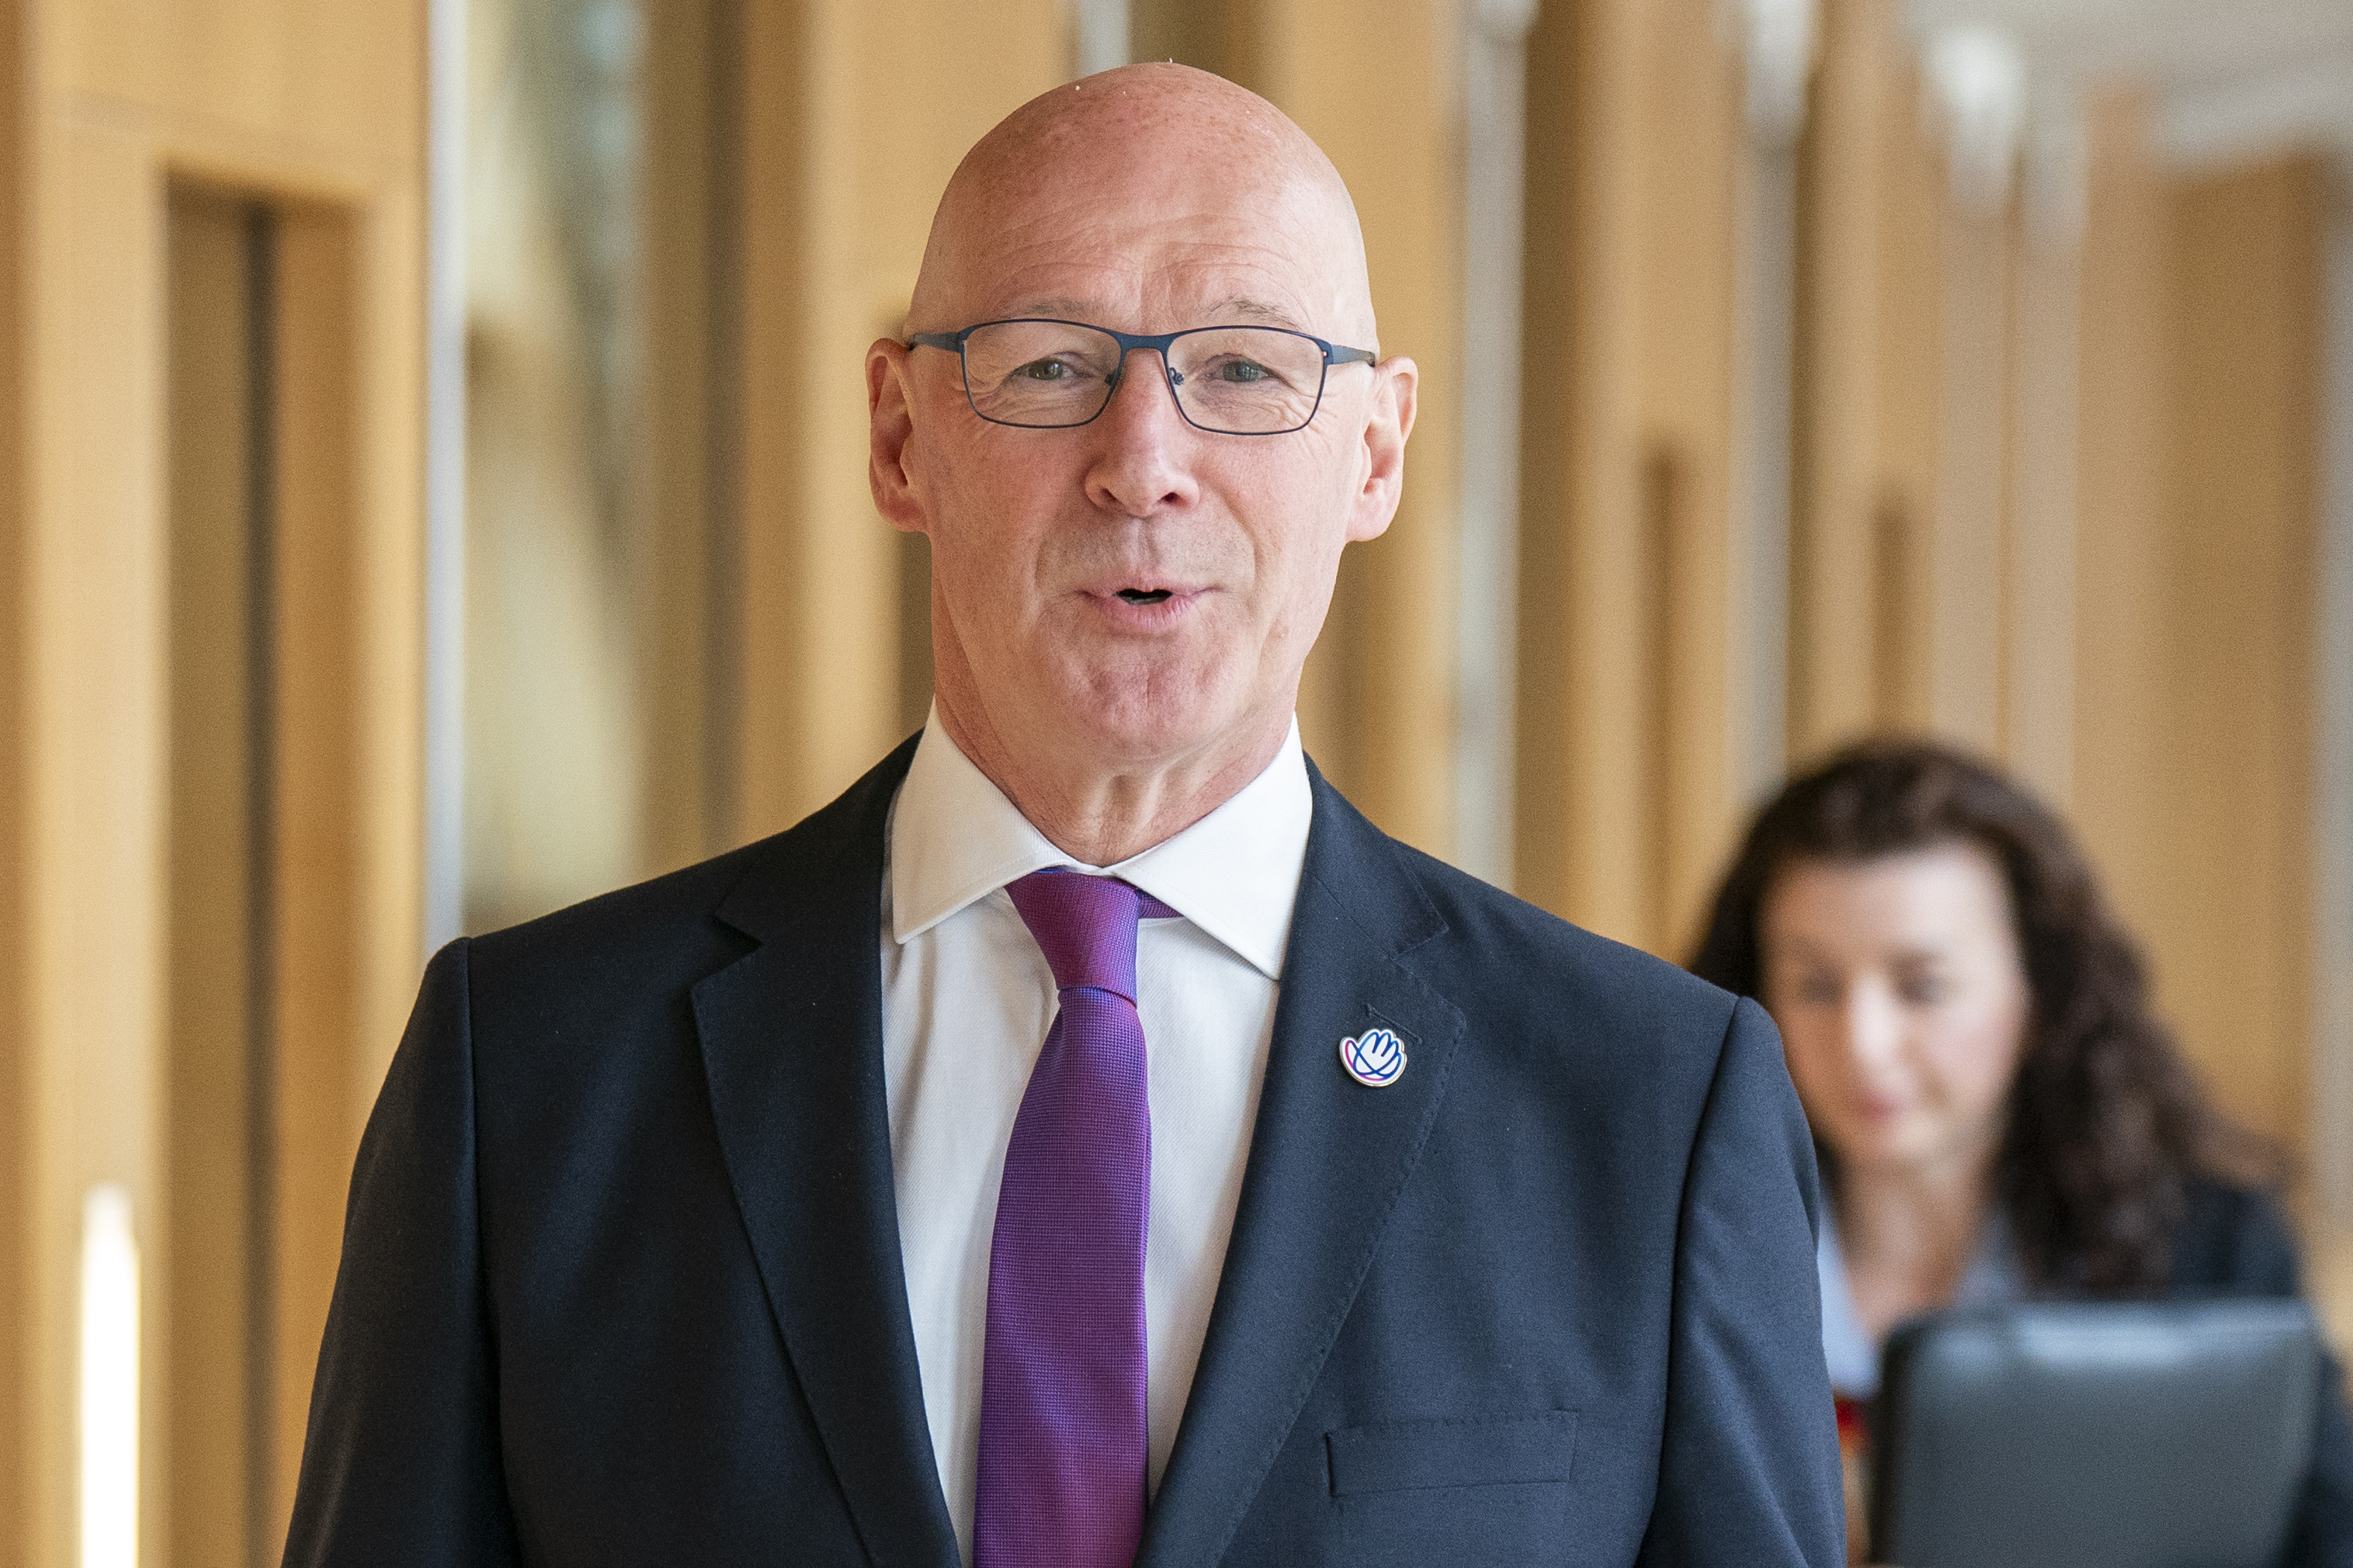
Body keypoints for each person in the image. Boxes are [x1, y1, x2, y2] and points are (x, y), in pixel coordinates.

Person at [285, 64, 1842, 1566]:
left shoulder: (1645, 1109)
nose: (1144, 462)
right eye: (1048, 366)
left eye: (1243, 369)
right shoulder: (535, 1074)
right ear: (899, 435)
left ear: (1373, 451)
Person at [1689, 737, 2353, 1564]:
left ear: (2037, 995)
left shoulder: (2212, 1245)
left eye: (1922, 987)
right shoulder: (1673, 1247)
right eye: (1814, 985)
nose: (1864, 1045)